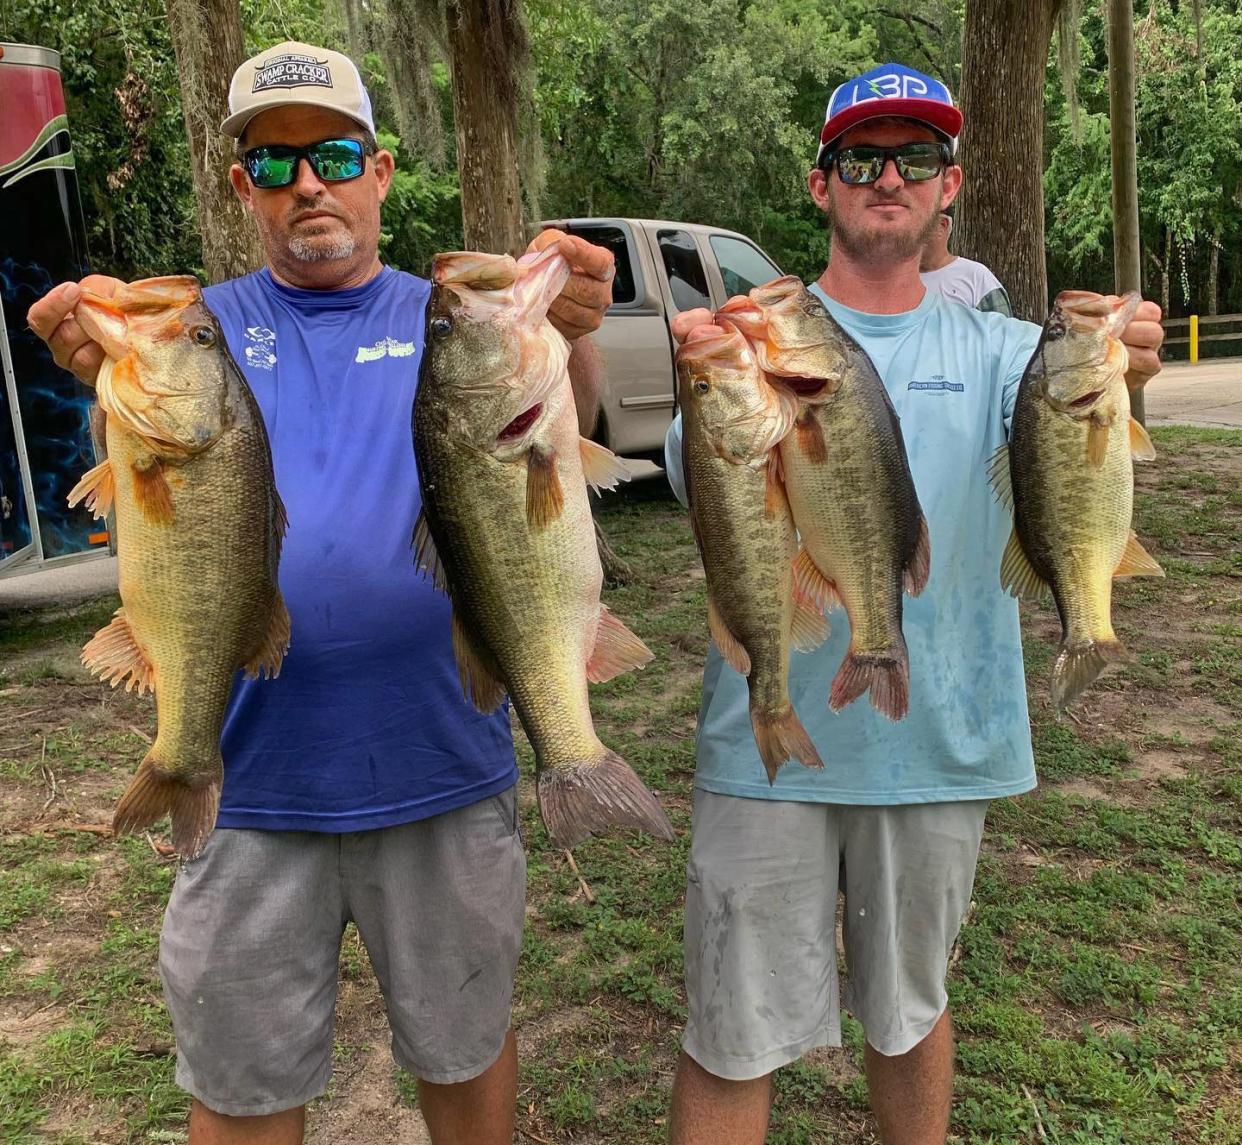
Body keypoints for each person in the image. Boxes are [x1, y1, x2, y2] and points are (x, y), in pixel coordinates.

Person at [27, 41, 615, 1145]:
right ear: (241, 186)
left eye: (335, 153)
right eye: (275, 162)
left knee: (467, 1053)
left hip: (442, 763)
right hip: (249, 785)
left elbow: (554, 427)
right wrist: (95, 353)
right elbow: (143, 470)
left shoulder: (451, 317)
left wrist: (573, 333)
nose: (309, 183)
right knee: (242, 1085)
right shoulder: (201, 327)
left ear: (382, 170)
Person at [662, 62, 1164, 1145]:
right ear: (820, 184)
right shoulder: (751, 343)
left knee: (910, 1013)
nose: (888, 175)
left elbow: (1072, 443)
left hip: (941, 743)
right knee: (729, 1028)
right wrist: (713, 367)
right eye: (860, 156)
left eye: (918, 156)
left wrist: (1130, 365)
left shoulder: (1005, 355)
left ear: (950, 188)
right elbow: (710, 480)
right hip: (766, 751)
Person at [919, 203, 1013, 315]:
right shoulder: (896, 280)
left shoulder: (976, 277)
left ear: (942, 225)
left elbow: (1001, 329)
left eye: (918, 221)